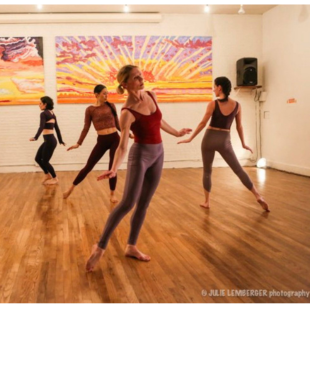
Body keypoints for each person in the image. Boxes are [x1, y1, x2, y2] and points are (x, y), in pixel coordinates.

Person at [86, 65, 192, 272]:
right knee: (127, 203)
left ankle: (131, 246)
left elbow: (158, 121)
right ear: (125, 84)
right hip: (141, 156)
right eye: (136, 78)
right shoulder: (127, 112)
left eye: (141, 76)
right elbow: (123, 144)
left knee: (144, 204)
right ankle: (100, 247)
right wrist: (115, 168)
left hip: (158, 154)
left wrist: (177, 133)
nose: (142, 80)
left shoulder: (151, 95)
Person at [178, 76, 270, 211]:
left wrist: (190, 138)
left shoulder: (213, 104)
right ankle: (257, 195)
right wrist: (243, 143)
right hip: (224, 140)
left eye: (214, 87)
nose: (213, 89)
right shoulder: (237, 105)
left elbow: (203, 123)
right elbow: (239, 127)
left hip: (209, 138)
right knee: (238, 170)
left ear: (219, 88)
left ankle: (207, 202)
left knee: (207, 171)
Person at [63, 84, 121, 203]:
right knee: (88, 166)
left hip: (115, 138)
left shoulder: (111, 106)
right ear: (96, 95)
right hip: (102, 140)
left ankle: (112, 194)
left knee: (112, 167)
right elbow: (86, 127)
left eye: (107, 93)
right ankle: (70, 189)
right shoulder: (90, 109)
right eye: (104, 93)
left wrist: (128, 133)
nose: (106, 96)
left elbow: (118, 124)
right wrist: (79, 143)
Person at [30, 96, 65, 185]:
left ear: (45, 104)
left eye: (40, 103)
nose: (39, 105)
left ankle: (55, 178)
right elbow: (57, 128)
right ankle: (47, 175)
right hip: (50, 140)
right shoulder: (52, 114)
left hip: (50, 141)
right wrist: (60, 140)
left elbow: (41, 126)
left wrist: (35, 137)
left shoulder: (44, 114)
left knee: (45, 161)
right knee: (38, 158)